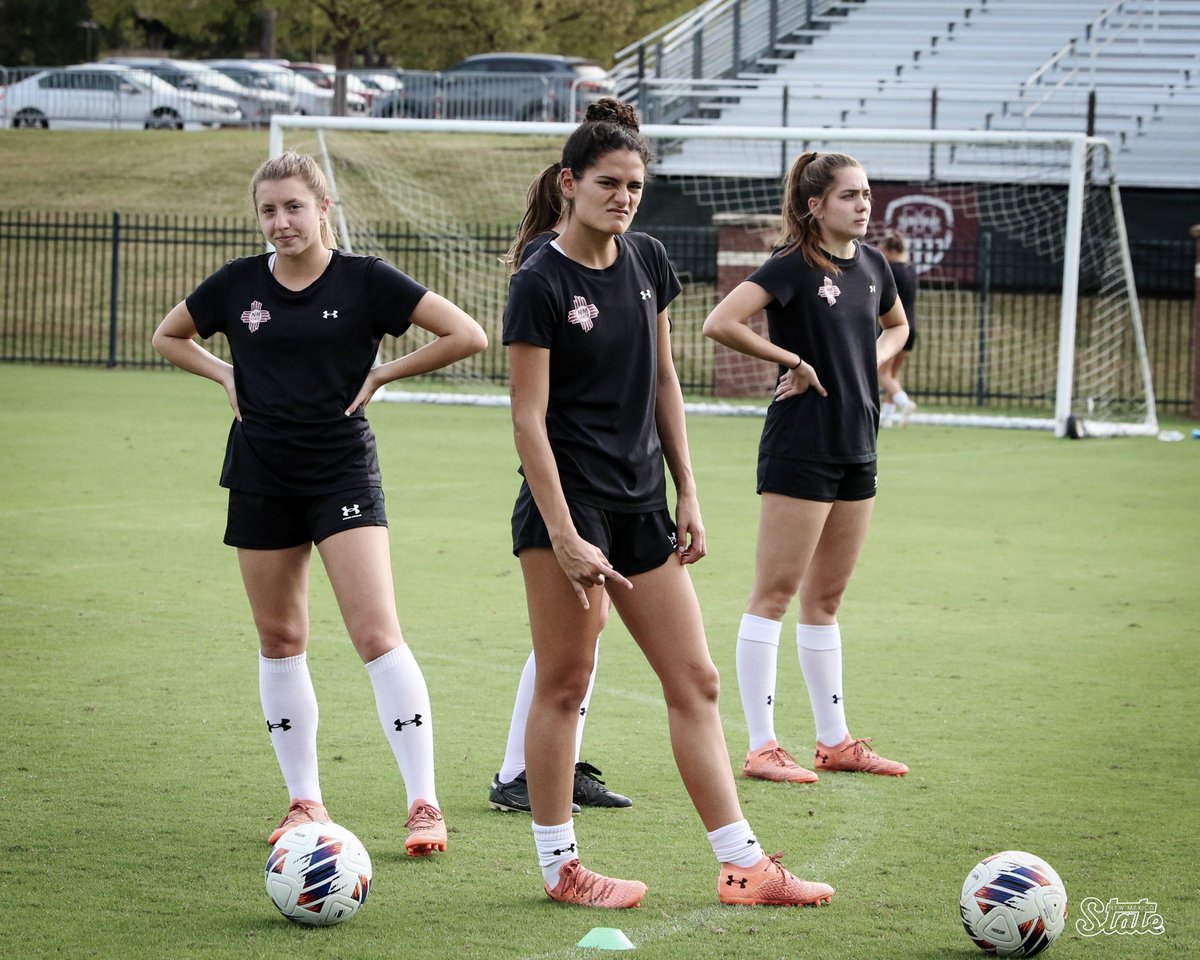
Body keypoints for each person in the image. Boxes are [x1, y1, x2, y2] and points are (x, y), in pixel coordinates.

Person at [504, 98, 834, 909]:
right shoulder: (539, 281)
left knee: (697, 680)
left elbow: (662, 380)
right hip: (569, 514)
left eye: (636, 185)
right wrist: (562, 533)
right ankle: (560, 869)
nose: (623, 197)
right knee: (563, 685)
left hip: (643, 507)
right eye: (609, 183)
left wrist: (687, 489)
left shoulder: (647, 260)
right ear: (569, 184)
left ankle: (744, 865)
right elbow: (526, 417)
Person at [152, 151, 488, 857]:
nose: (281, 222)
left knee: (376, 634)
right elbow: (168, 335)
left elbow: (467, 333)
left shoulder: (365, 280)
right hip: (260, 473)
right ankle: (305, 799)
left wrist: (386, 371)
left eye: (294, 207)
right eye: (268, 211)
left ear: (324, 206)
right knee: (280, 640)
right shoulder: (239, 285)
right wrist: (224, 375)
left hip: (341, 473)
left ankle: (423, 804)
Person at [702, 150, 910, 787]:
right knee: (774, 596)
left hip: (858, 445)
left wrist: (866, 359)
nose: (864, 205)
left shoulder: (875, 265)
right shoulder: (792, 265)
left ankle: (833, 740)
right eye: (850, 196)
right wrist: (790, 358)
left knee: (826, 600)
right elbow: (721, 322)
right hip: (801, 444)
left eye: (868, 194)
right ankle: (762, 746)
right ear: (815, 205)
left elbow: (897, 327)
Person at [489, 169, 632, 815]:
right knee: (571, 641)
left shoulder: (617, 256)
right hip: (569, 483)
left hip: (614, 479)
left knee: (587, 630)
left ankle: (548, 762)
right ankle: (521, 771)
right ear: (569, 192)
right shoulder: (549, 268)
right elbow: (530, 410)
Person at [877, 230, 918, 427]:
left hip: (894, 327)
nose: (881, 254)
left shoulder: (892, 270)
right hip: (911, 327)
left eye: (883, 251)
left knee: (882, 373)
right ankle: (887, 416)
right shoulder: (911, 269)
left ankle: (904, 402)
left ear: (891, 250)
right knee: (892, 374)